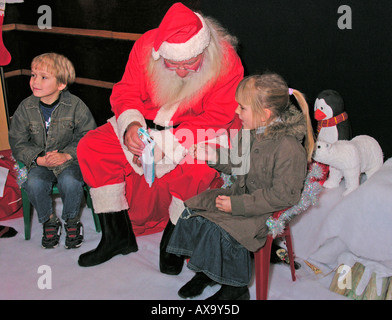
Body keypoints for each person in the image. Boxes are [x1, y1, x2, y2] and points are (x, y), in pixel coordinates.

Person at [76, 2, 244, 270]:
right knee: (92, 146)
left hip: (198, 130)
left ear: (203, 50)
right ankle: (117, 237)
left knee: (199, 171)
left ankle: (173, 246)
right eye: (172, 64)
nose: (180, 71)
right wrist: (131, 126)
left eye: (190, 63)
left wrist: (167, 145)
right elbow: (126, 90)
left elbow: (218, 116)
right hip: (148, 123)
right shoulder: (145, 45)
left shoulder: (225, 59)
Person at [166, 73, 315, 300]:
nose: (236, 112)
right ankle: (209, 271)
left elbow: (283, 195)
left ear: (264, 115)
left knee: (221, 228)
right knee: (194, 211)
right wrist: (214, 155)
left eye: (242, 108)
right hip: (240, 195)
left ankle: (235, 288)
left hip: (263, 210)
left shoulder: (289, 148)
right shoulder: (250, 132)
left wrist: (237, 205)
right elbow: (238, 162)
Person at [8, 53, 97, 249]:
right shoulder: (25, 107)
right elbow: (17, 141)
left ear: (61, 85)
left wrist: (67, 155)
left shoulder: (75, 106)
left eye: (43, 77)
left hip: (69, 161)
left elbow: (89, 136)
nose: (35, 82)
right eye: (33, 75)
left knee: (71, 181)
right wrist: (38, 159)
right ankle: (49, 220)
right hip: (39, 161)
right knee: (33, 182)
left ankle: (71, 220)